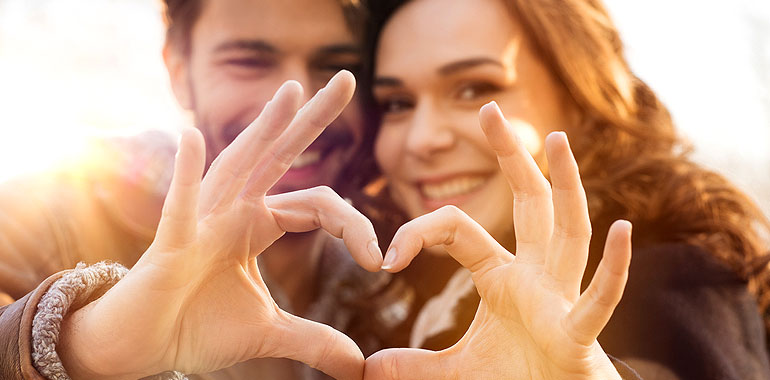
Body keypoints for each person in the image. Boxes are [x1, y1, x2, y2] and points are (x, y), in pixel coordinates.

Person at [335, 0, 770, 379]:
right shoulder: (403, 295)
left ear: (579, 97)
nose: (420, 139)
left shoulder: (667, 281)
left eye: (474, 89)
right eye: (397, 104)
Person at [0, 0, 382, 378]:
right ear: (179, 73)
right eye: (249, 62)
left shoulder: (393, 270)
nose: (300, 102)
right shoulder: (55, 205)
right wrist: (84, 350)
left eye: (335, 67)